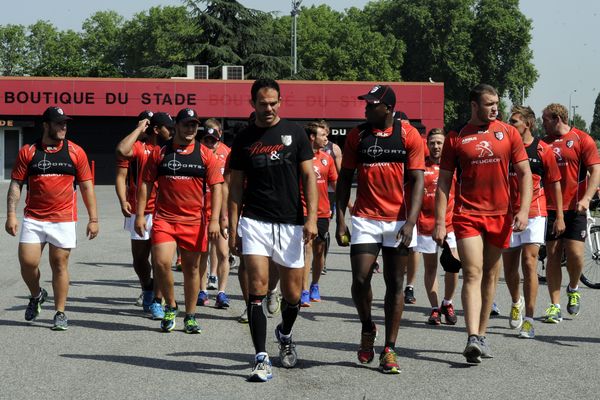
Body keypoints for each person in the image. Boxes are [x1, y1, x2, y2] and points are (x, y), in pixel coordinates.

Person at [433, 84, 532, 364]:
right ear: (474, 105)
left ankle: (483, 334)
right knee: (473, 272)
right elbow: (443, 182)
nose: (494, 108)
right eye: (488, 104)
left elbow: (524, 173)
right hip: (467, 215)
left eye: (496, 103)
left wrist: (523, 210)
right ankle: (472, 337)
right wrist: (441, 221)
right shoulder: (456, 137)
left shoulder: (509, 133)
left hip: (500, 215)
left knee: (490, 274)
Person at [228, 78, 317, 382]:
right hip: (254, 221)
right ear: (252, 103)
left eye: (273, 102)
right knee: (258, 290)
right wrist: (233, 225)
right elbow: (236, 185)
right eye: (263, 103)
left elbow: (309, 178)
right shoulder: (243, 138)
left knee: (293, 296)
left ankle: (285, 332)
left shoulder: (295, 133)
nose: (268, 108)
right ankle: (261, 357)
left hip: (290, 223)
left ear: (281, 101)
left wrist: (312, 218)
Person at [336, 84, 425, 374]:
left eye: (372, 104)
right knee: (361, 279)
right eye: (366, 103)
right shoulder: (357, 135)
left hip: (398, 221)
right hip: (365, 218)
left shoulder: (408, 135)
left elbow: (417, 182)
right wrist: (340, 220)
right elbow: (344, 178)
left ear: (387, 108)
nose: (366, 108)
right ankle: (366, 328)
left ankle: (389, 348)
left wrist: (411, 222)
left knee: (395, 284)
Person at [5, 106, 99, 331]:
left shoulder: (76, 152)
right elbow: (17, 184)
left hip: (63, 218)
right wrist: (11, 214)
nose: (63, 127)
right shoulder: (28, 151)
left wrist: (93, 218)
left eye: (65, 123)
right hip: (34, 218)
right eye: (58, 123)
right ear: (46, 125)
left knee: (59, 264)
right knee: (28, 263)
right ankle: (37, 295)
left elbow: (86, 186)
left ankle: (60, 312)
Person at [135, 108, 223, 334]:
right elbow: (145, 183)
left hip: (194, 220)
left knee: (191, 270)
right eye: (187, 125)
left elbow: (217, 187)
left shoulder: (206, 155)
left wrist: (214, 220)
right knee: (162, 262)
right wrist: (140, 214)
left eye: (194, 125)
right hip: (164, 218)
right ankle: (171, 306)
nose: (191, 129)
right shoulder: (160, 152)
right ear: (177, 126)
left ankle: (191, 316)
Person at [501, 106, 564, 338]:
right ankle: (516, 302)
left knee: (529, 262)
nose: (510, 124)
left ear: (527, 124)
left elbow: (555, 182)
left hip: (536, 212)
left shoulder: (542, 149)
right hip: (508, 213)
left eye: (514, 121)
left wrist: (559, 215)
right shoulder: (506, 147)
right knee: (509, 269)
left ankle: (529, 319)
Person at [541, 103, 600, 322]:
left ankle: (573, 289)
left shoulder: (582, 139)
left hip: (575, 207)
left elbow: (596, 171)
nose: (543, 123)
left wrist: (586, 198)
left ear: (557, 118)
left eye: (545, 119)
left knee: (575, 255)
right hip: (550, 208)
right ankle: (554, 305)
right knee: (553, 255)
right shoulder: (543, 143)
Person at [115, 110, 174, 320]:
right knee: (140, 259)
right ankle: (147, 286)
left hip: (163, 211)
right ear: (156, 130)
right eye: (169, 127)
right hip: (138, 210)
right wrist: (140, 128)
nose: (173, 131)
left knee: (160, 260)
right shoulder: (139, 148)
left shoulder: (171, 149)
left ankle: (158, 301)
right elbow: (121, 150)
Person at [409, 128, 460, 325]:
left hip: (450, 225)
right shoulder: (421, 168)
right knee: (430, 268)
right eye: (433, 143)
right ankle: (434, 308)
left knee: (452, 266)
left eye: (440, 143)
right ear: (427, 145)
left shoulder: (454, 167)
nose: (436, 146)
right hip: (426, 225)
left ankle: (448, 302)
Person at [300, 122, 338, 306]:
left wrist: (350, 203)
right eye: (323, 135)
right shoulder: (299, 157)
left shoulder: (327, 158)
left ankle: (315, 284)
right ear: (312, 137)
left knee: (319, 251)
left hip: (323, 211)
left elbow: (335, 183)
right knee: (306, 249)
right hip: (304, 211)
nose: (326, 139)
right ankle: (304, 290)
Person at [196, 118, 232, 309]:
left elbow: (227, 187)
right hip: (200, 212)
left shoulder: (227, 153)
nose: (209, 143)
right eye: (206, 140)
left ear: (219, 139)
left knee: (224, 253)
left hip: (220, 213)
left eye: (213, 140)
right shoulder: (196, 153)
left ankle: (221, 292)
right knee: (202, 253)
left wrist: (225, 215)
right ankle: (202, 291)